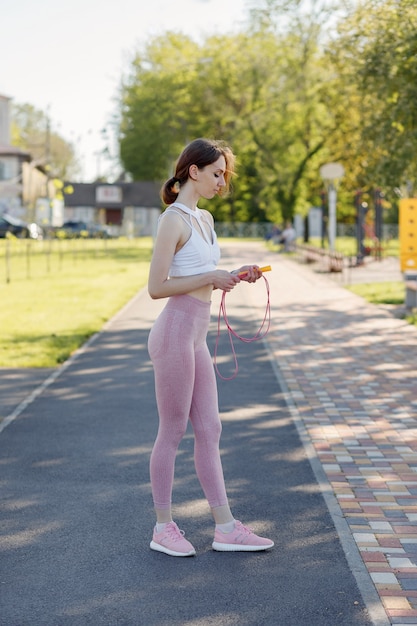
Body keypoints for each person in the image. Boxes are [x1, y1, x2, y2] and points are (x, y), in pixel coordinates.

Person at [147, 138, 274, 557]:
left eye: (224, 175)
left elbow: (205, 273)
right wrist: (211, 278)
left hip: (197, 336)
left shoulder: (205, 219)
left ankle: (225, 527)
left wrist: (235, 274)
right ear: (193, 171)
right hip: (173, 335)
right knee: (173, 430)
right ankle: (163, 527)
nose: (222, 182)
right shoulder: (174, 220)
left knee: (211, 430)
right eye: (216, 173)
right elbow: (156, 288)